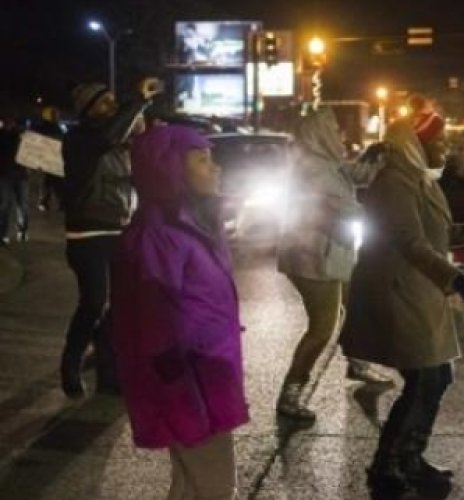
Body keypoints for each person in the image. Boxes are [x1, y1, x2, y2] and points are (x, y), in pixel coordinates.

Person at [340, 112, 464, 499]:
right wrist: (456, 279)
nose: (444, 147)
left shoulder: (420, 179)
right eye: (436, 141)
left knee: (437, 378)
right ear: (413, 143)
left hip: (418, 292)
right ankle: (387, 467)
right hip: (398, 293)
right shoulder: (395, 182)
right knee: (425, 379)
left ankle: (410, 458)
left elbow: (438, 236)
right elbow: (411, 242)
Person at [111, 125, 248, 500]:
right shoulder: (158, 235)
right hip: (189, 384)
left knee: (193, 486)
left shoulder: (188, 226)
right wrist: (179, 390)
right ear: (169, 169)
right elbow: (153, 322)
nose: (215, 168)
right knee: (214, 487)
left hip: (208, 376)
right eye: (202, 160)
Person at [275, 108, 393, 422]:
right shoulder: (315, 173)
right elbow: (350, 210)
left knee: (356, 305)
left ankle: (358, 361)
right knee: (321, 329)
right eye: (334, 130)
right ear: (319, 134)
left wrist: (372, 158)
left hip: (331, 253)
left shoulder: (324, 163)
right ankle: (291, 393)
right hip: (313, 259)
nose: (340, 136)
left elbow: (351, 174)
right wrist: (393, 214)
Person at [58, 78, 162, 398]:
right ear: (88, 109)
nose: (112, 106)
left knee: (115, 309)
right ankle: (71, 361)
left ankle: (109, 374)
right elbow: (107, 136)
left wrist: (148, 135)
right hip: (87, 232)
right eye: (105, 102)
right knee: (94, 302)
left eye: (114, 102)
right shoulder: (80, 139)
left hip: (119, 229)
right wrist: (138, 101)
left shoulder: (119, 143)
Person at [0, 119, 27, 244]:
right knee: (5, 205)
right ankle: (3, 234)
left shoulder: (22, 137)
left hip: (20, 175)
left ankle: (22, 231)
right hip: (5, 175)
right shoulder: (2, 136)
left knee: (22, 206)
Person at [33, 107, 66, 212]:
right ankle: (59, 202)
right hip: (52, 160)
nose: (58, 117)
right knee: (55, 182)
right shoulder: (56, 129)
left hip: (48, 160)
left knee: (47, 182)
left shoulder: (41, 128)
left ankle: (45, 202)